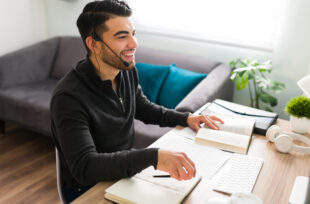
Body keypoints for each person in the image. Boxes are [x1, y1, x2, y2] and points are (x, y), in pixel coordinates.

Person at [50, 0, 223, 202]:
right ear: (93, 44)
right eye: (122, 37)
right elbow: (85, 167)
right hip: (89, 190)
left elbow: (142, 107)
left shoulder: (126, 71)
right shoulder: (68, 97)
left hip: (124, 174)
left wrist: (186, 119)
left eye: (133, 34)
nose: (133, 44)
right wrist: (153, 156)